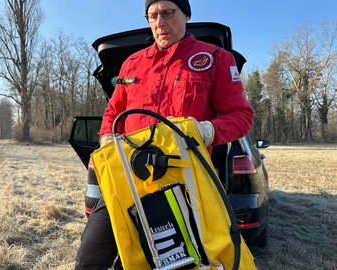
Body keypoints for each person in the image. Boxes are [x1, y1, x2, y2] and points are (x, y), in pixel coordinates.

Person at [75, 0, 254, 269]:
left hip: (184, 183)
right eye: (153, 16)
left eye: (168, 13)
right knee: (89, 258)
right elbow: (114, 110)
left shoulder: (215, 58)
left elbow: (241, 116)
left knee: (174, 261)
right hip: (129, 178)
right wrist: (106, 136)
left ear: (186, 14)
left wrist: (207, 131)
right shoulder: (132, 64)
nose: (160, 23)